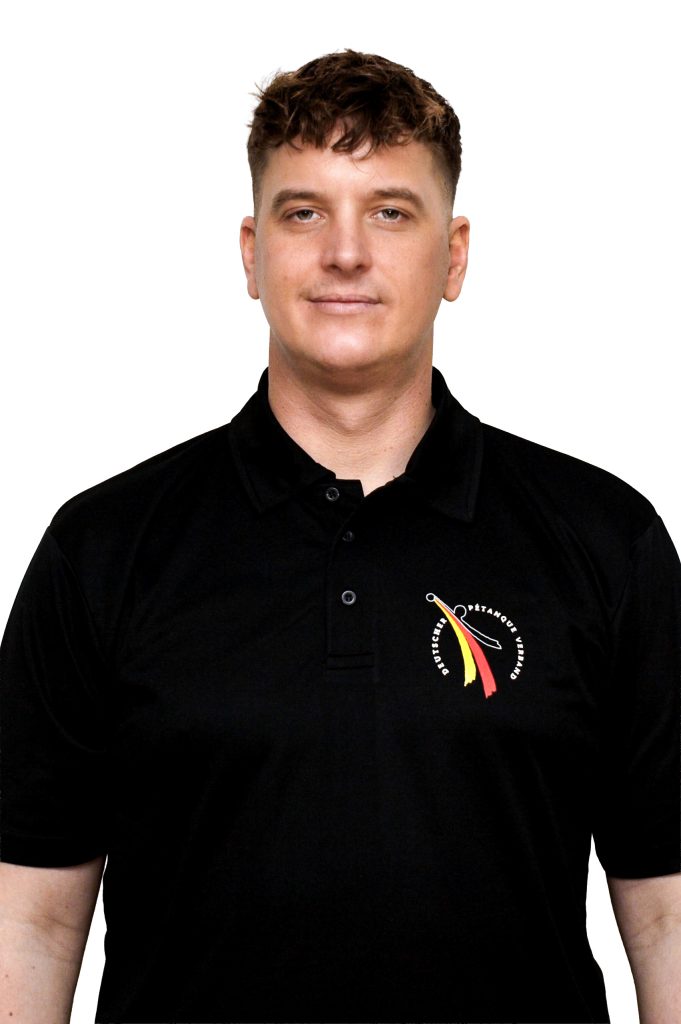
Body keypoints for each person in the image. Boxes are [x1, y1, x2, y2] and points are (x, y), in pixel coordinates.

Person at [0, 47, 680, 1024]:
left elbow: (665, 914)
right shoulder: (103, 550)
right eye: (304, 212)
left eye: (390, 212)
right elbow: (30, 919)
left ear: (454, 255)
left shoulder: (606, 542)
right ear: (251, 253)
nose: (346, 253)